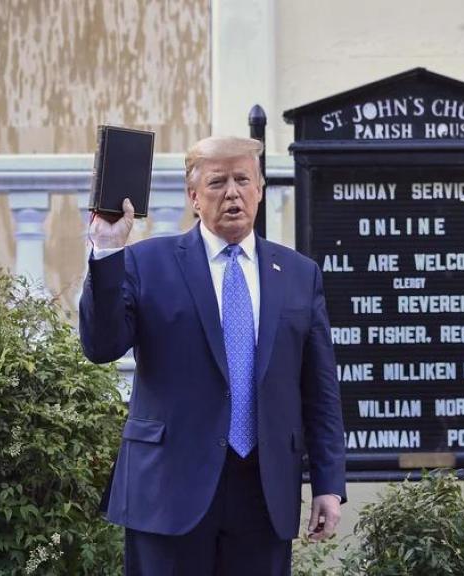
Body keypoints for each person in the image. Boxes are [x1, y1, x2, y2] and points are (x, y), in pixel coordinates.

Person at [79, 135, 346, 575]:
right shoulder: (148, 263)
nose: (232, 193)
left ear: (260, 189)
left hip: (263, 490)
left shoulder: (299, 274)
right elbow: (101, 346)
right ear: (193, 197)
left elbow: (319, 389)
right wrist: (107, 251)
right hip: (169, 489)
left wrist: (328, 484)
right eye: (218, 182)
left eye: (243, 180)